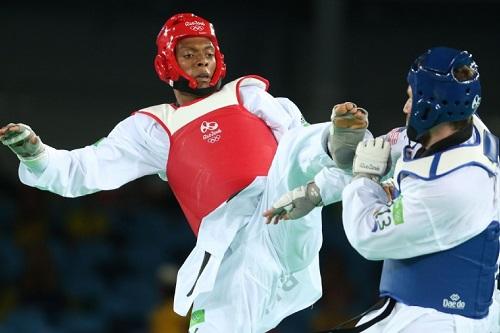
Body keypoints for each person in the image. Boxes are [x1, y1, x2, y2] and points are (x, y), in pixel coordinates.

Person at [0, 13, 369, 333]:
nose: (202, 62)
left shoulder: (248, 95)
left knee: (299, 148)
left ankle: (349, 143)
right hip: (231, 244)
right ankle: (348, 150)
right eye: (189, 54)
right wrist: (36, 154)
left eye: (209, 54)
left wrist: (331, 160)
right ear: (166, 63)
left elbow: (298, 143)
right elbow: (83, 170)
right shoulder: (156, 127)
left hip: (285, 205)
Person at [330, 47, 498, 332]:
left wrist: (363, 179)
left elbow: (367, 235)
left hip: (446, 318)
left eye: (410, 98)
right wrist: (315, 191)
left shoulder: (455, 187)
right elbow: (391, 147)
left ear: (430, 105)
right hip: (416, 304)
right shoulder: (459, 130)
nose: (406, 108)